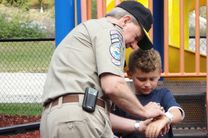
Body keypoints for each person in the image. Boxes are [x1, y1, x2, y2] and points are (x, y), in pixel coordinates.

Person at [40, 1, 164, 138]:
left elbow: (92, 106)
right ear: (125, 21)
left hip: (61, 119)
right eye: (136, 37)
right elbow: (113, 86)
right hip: (78, 121)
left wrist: (139, 125)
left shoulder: (90, 30)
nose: (135, 46)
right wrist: (144, 111)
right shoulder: (112, 30)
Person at [112, 49, 185, 138]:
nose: (147, 84)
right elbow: (113, 129)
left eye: (152, 79)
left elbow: (178, 112)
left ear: (159, 74)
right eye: (142, 79)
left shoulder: (163, 94)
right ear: (130, 74)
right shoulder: (123, 101)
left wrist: (166, 118)